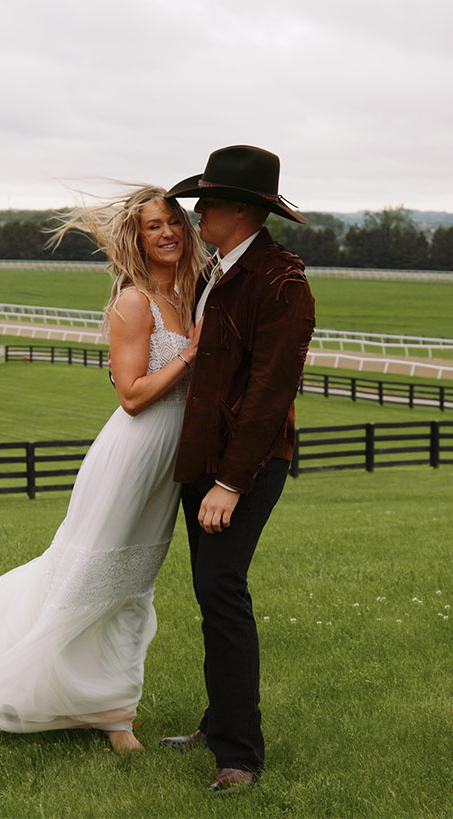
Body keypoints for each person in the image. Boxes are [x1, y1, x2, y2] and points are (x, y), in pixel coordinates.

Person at [0, 186, 208, 753]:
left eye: (174, 224)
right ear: (136, 241)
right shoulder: (134, 302)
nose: (166, 234)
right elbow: (133, 398)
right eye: (151, 227)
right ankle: (53, 695)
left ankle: (109, 706)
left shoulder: (191, 298)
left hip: (170, 465)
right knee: (93, 579)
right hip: (132, 458)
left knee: (132, 588)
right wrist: (192, 352)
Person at [160, 145, 316, 791]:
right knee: (209, 589)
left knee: (223, 590)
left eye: (208, 202)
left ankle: (240, 755)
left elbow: (269, 391)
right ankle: (217, 719)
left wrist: (229, 482)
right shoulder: (214, 270)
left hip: (245, 466)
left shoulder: (281, 282)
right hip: (203, 458)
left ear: (242, 211)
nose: (196, 213)